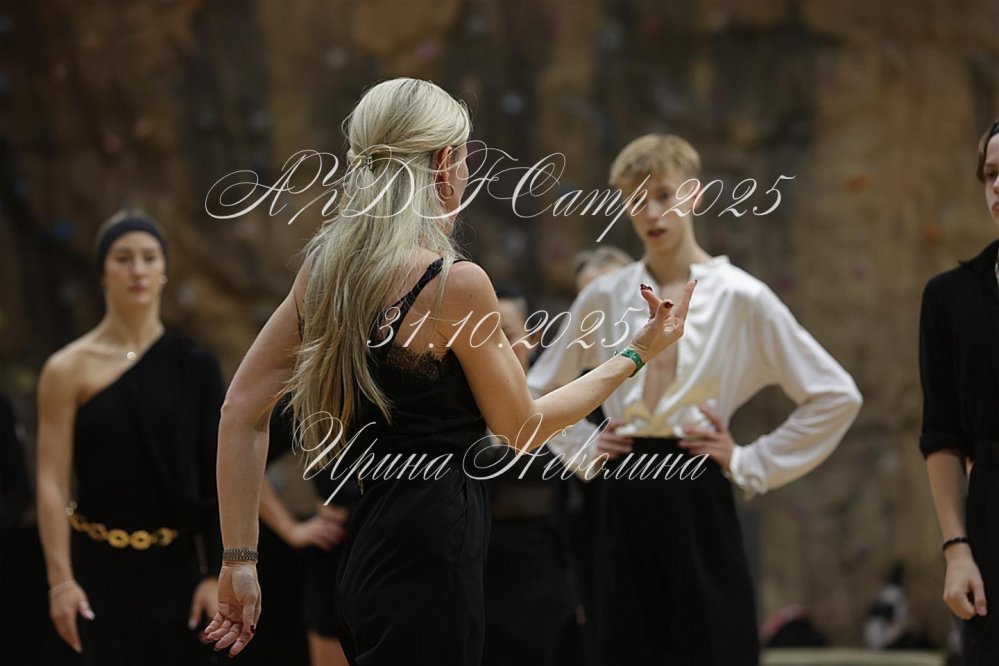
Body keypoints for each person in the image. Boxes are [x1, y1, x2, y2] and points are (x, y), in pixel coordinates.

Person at [204, 77, 695, 664]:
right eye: (466, 157)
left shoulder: (323, 274)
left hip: (365, 550)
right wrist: (636, 353)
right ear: (444, 164)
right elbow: (521, 427)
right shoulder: (453, 284)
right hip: (434, 554)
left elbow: (239, 412)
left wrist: (239, 559)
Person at [527, 134, 863, 665]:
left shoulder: (741, 295)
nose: (651, 213)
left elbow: (834, 395)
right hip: (622, 484)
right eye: (636, 200)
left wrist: (751, 460)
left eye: (663, 195)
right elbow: (537, 387)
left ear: (694, 194)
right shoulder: (605, 295)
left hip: (698, 479)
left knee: (714, 642)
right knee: (623, 645)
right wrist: (583, 445)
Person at [35, 211, 224, 665]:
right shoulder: (66, 369)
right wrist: (61, 581)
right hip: (96, 572)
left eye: (148, 257)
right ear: (103, 272)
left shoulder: (194, 365)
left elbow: (218, 472)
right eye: (123, 258)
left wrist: (216, 571)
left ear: (164, 271)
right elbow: (51, 481)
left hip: (179, 572)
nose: (137, 270)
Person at [919, 118, 999, 665]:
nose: (998, 186)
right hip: (992, 525)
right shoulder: (949, 298)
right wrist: (957, 550)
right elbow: (942, 435)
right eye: (991, 174)